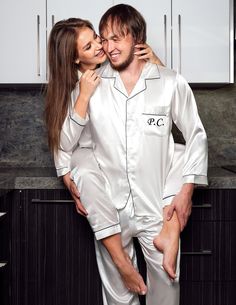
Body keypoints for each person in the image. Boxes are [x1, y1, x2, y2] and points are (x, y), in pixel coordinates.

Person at [46, 4, 208, 303]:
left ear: (136, 38)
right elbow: (67, 145)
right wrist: (69, 178)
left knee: (167, 292)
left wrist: (185, 192)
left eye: (116, 38)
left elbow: (196, 135)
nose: (107, 47)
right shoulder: (89, 86)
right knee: (119, 297)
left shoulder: (170, 81)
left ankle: (169, 231)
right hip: (111, 208)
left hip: (157, 209)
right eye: (103, 39)